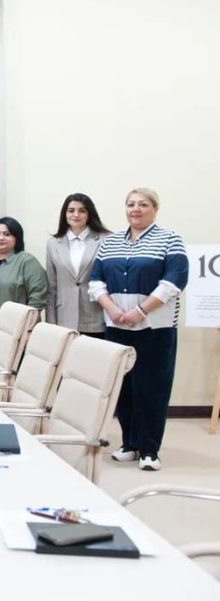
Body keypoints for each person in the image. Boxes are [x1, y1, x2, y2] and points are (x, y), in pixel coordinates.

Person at [89, 188, 187, 472]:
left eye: (143, 204)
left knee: (152, 388)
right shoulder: (110, 242)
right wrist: (112, 309)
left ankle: (149, 449)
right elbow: (96, 282)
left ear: (155, 208)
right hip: (117, 326)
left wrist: (140, 311)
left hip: (155, 328)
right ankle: (129, 444)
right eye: (131, 204)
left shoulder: (169, 239)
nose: (136, 209)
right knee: (124, 388)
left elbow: (173, 282)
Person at [0, 217, 48, 356]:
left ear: (16, 237)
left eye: (7, 234)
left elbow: (38, 298)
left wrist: (28, 329)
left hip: (15, 330)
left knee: (9, 365)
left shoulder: (27, 261)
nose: (1, 238)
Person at [45, 193, 110, 337]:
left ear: (89, 214)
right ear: (65, 214)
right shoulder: (53, 243)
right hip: (64, 317)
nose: (76, 215)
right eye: (71, 210)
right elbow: (51, 287)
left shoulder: (105, 239)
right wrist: (51, 323)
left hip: (96, 315)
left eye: (82, 211)